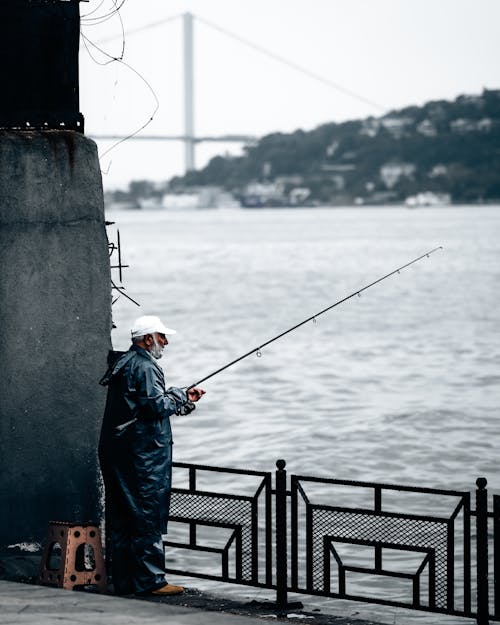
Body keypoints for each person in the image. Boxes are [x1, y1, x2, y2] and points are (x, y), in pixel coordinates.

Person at [98, 315, 205, 596]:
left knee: (122, 517)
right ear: (148, 339)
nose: (165, 342)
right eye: (162, 337)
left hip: (121, 452)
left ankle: (124, 581)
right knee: (146, 515)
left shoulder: (124, 363)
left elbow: (142, 408)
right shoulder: (146, 367)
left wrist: (182, 399)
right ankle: (150, 581)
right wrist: (180, 395)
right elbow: (155, 406)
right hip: (143, 457)